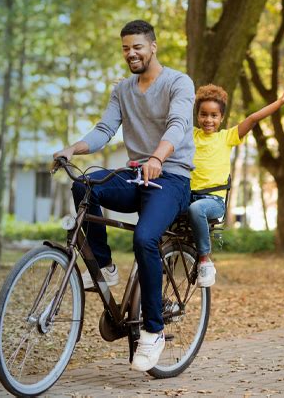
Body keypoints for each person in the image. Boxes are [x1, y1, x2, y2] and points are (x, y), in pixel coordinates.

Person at [53, 20, 195, 371]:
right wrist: (73, 148)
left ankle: (154, 331)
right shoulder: (123, 90)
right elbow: (104, 130)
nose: (131, 53)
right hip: (136, 176)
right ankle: (103, 265)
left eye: (138, 47)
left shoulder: (178, 82)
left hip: (172, 177)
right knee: (84, 184)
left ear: (153, 46)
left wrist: (159, 158)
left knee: (145, 238)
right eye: (126, 48)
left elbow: (178, 124)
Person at [189, 83, 284, 287]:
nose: (208, 120)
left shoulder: (226, 137)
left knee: (196, 209)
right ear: (197, 115)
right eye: (204, 114)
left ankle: (205, 260)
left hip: (212, 201)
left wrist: (280, 101)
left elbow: (253, 118)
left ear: (221, 118)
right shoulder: (189, 134)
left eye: (214, 115)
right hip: (188, 196)